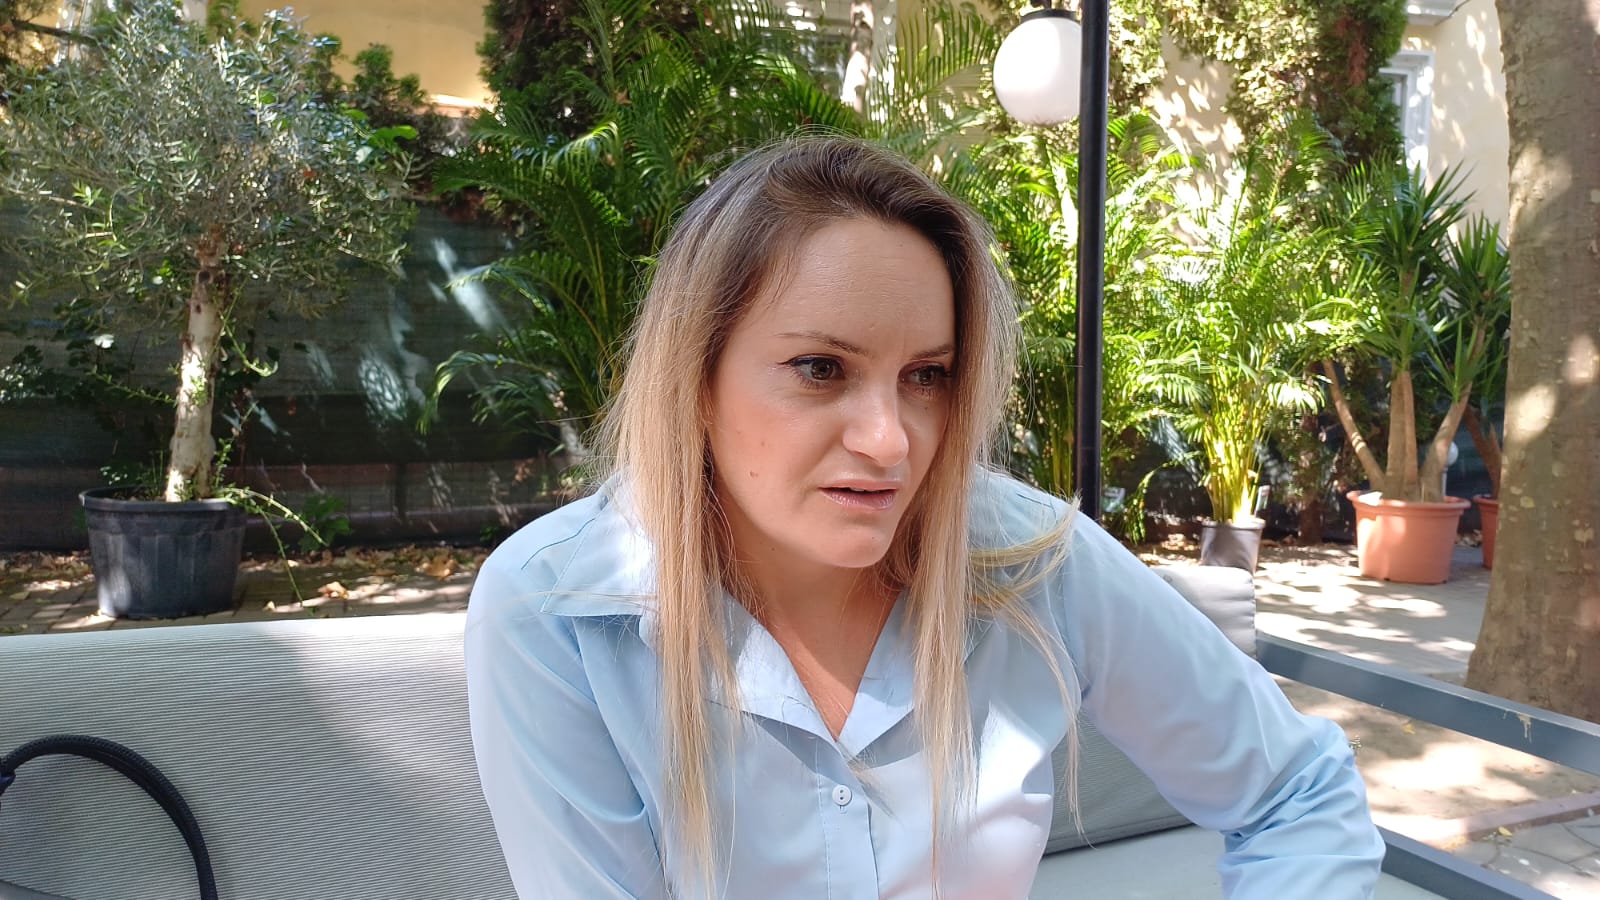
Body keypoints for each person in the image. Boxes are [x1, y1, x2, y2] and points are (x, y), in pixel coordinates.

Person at [464, 135, 1384, 899]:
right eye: (821, 368)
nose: (889, 440)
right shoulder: (561, 611)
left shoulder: (1031, 559)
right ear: (695, 378)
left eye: (927, 377)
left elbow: (1298, 794)